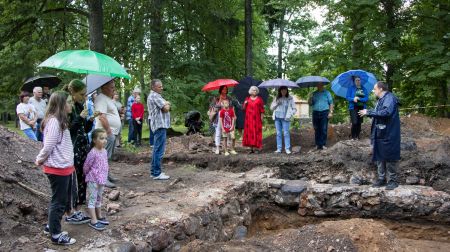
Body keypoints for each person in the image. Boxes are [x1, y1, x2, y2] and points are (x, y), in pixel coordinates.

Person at [35, 91, 76, 245]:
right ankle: (56, 235)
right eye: (68, 102)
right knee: (58, 202)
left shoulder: (59, 121)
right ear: (61, 104)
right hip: (57, 168)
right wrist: (39, 159)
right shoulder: (53, 122)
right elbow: (48, 146)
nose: (70, 105)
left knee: (60, 200)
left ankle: (50, 227)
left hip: (64, 167)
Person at [63, 79, 95, 224]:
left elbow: (85, 130)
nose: (84, 97)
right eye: (81, 94)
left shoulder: (79, 105)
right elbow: (69, 131)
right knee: (75, 180)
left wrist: (90, 120)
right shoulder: (67, 109)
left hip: (83, 147)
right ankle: (71, 209)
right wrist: (80, 117)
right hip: (74, 148)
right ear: (73, 92)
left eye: (85, 94)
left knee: (83, 178)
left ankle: (78, 208)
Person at [359, 81, 400, 190]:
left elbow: (386, 112)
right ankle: (382, 179)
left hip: (389, 133)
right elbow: (378, 113)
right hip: (380, 132)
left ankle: (393, 181)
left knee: (390, 156)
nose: (373, 91)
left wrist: (369, 112)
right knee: (379, 155)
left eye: (375, 89)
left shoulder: (389, 98)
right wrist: (369, 112)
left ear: (381, 89)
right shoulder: (381, 100)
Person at [94, 80, 121, 188]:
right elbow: (102, 116)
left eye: (114, 87)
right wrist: (109, 131)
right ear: (104, 87)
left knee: (107, 156)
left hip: (109, 133)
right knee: (103, 156)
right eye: (111, 88)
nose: (113, 90)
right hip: (104, 133)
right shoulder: (101, 98)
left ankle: (107, 175)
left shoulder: (107, 99)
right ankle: (102, 179)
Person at [83, 128, 110, 231]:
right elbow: (86, 166)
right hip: (93, 180)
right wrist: (88, 175)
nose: (104, 140)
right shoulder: (92, 152)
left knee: (99, 198)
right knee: (92, 199)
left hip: (101, 180)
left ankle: (99, 216)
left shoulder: (104, 151)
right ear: (94, 140)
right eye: (101, 138)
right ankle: (93, 220)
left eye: (105, 138)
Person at [147, 79, 171, 180]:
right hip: (159, 125)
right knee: (159, 150)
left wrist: (166, 103)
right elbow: (165, 108)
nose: (162, 88)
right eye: (159, 86)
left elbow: (165, 106)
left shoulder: (155, 95)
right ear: (153, 87)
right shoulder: (154, 96)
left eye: (162, 86)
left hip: (159, 125)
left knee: (156, 149)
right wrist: (167, 103)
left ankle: (154, 172)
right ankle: (157, 173)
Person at [208, 86, 237, 154]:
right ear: (220, 90)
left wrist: (234, 115)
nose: (225, 90)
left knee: (229, 132)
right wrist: (219, 102)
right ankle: (217, 148)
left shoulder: (229, 98)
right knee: (218, 132)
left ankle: (228, 148)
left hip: (228, 117)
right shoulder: (216, 98)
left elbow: (232, 107)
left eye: (226, 89)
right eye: (223, 89)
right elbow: (213, 108)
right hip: (219, 117)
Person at [270, 86, 297, 154]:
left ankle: (287, 149)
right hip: (277, 117)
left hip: (285, 118)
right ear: (280, 91)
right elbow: (271, 108)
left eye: (285, 90)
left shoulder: (290, 98)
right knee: (278, 133)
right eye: (282, 90)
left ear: (287, 91)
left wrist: (290, 114)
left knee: (286, 133)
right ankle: (279, 149)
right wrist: (276, 104)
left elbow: (294, 109)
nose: (283, 91)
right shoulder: (276, 98)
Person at [309, 83, 334, 150]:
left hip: (324, 112)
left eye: (321, 84)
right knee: (316, 129)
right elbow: (310, 104)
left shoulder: (327, 93)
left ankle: (322, 144)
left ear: (323, 85)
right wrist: (310, 98)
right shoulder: (314, 93)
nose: (319, 85)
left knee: (323, 129)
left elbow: (331, 103)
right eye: (318, 84)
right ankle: (317, 145)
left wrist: (331, 112)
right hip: (315, 112)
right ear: (317, 85)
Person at [242, 86, 265, 153]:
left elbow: (262, 110)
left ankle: (257, 148)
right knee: (250, 133)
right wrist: (245, 104)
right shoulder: (247, 99)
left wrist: (262, 118)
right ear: (250, 91)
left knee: (257, 132)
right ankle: (251, 149)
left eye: (255, 90)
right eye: (253, 90)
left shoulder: (259, 99)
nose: (254, 91)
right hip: (249, 119)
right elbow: (243, 109)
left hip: (257, 118)